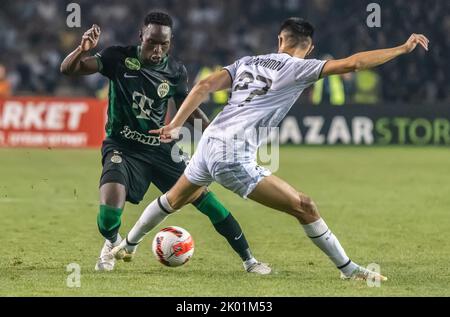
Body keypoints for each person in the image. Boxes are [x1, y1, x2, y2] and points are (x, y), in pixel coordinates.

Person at [111, 17, 429, 281]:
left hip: (208, 143)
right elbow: (355, 63)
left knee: (173, 199)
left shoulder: (248, 62)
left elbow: (203, 86)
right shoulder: (298, 68)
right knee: (305, 206)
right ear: (309, 47)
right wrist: (402, 47)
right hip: (232, 154)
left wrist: (176, 124)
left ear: (280, 39)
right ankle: (349, 270)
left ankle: (127, 244)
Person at [60, 11, 270, 274]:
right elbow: (68, 70)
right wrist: (82, 50)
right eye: (152, 43)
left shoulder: (175, 71)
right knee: (108, 218)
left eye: (164, 44)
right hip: (121, 147)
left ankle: (250, 260)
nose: (158, 50)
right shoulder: (117, 57)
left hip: (161, 149)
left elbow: (189, 108)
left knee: (209, 202)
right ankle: (113, 243)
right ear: (141, 37)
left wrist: (215, 133)